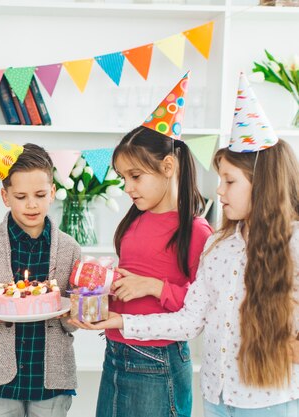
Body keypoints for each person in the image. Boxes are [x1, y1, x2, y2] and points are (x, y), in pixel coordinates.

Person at [85, 74, 299, 417]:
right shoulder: (220, 245)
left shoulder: (290, 242)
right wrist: (118, 320)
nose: (219, 191)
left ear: (262, 182)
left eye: (229, 181)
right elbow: (190, 319)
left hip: (268, 399)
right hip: (215, 394)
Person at [69, 72, 213, 417]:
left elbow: (200, 307)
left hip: (158, 358)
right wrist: (104, 286)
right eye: (122, 178)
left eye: (136, 176)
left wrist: (153, 286)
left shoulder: (196, 232)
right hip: (117, 349)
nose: (128, 187)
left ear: (167, 166)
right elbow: (130, 281)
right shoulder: (134, 220)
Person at [0, 128, 81, 417]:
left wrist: (73, 314)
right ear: (5, 196)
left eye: (40, 194)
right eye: (21, 196)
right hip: (0, 377)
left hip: (51, 377)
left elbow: (74, 321)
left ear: (52, 192)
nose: (32, 204)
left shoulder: (70, 248)